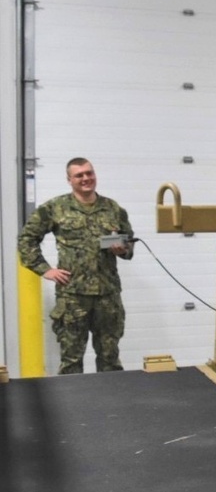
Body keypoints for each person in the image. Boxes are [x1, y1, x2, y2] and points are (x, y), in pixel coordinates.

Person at [18, 158, 133, 374]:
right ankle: (74, 407)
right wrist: (45, 269)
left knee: (110, 358)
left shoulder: (113, 209)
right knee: (71, 361)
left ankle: (114, 404)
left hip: (107, 295)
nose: (86, 178)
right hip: (72, 296)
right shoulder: (55, 208)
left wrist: (123, 249)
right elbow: (26, 239)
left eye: (89, 173)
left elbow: (129, 243)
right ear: (69, 180)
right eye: (79, 175)